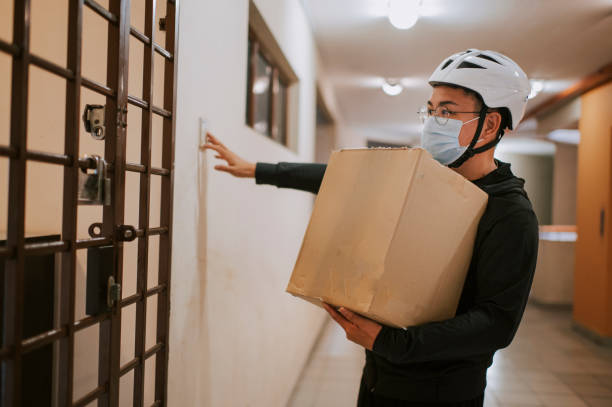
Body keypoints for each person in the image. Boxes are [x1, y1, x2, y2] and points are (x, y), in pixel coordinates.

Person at [203, 49, 539, 407]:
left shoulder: (510, 215)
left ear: (490, 125)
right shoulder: (427, 179)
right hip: (379, 380)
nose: (432, 121)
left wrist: (393, 343)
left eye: (448, 112)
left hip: (443, 395)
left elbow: (496, 322)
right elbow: (348, 179)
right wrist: (259, 169)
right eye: (432, 109)